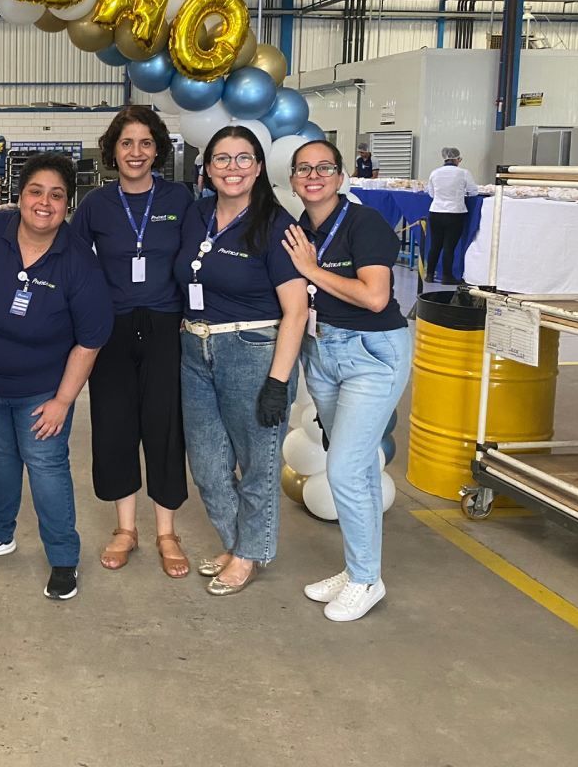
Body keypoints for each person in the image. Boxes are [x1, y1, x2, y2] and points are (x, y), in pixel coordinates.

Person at [0, 153, 113, 600]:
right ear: (19, 196)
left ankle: (63, 558)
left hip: (41, 390)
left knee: (45, 468)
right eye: (36, 192)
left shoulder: (78, 260)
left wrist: (63, 400)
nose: (45, 203)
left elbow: (91, 339)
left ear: (68, 204)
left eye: (57, 195)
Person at [174, 125, 308, 596]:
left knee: (258, 464)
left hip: (251, 352)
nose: (233, 168)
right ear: (207, 168)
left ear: (258, 167)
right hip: (194, 350)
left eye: (243, 158)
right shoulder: (198, 213)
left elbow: (296, 309)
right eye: (222, 159)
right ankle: (238, 542)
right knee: (208, 465)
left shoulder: (276, 226)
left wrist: (278, 380)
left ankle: (249, 553)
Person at [282, 139, 412, 621]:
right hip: (324, 353)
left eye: (323, 168)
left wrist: (312, 269)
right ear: (293, 179)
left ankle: (364, 580)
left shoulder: (364, 223)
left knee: (343, 469)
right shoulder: (298, 229)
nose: (313, 176)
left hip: (371, 355)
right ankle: (362, 568)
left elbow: (375, 297)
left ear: (340, 176)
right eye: (303, 169)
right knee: (352, 467)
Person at [70, 106, 193, 578]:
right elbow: (76, 266)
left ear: (157, 148)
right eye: (127, 143)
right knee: (115, 424)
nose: (136, 152)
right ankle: (126, 528)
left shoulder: (180, 198)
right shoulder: (96, 206)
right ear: (113, 151)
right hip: (112, 329)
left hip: (167, 326)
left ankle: (166, 531)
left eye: (145, 143)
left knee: (164, 427)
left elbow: (195, 259)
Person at [424, 146, 478, 285]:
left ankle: (429, 274)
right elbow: (473, 191)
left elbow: (431, 193)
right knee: (449, 246)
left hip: (436, 212)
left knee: (435, 245)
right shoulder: (463, 173)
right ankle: (447, 276)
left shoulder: (434, 173)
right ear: (457, 159)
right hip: (454, 213)